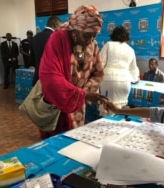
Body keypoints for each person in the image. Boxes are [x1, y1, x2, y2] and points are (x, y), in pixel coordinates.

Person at [38, 5, 108, 139]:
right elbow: (50, 77)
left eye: (94, 36)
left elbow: (98, 73)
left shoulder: (92, 45)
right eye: (87, 36)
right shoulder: (58, 39)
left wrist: (85, 93)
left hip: (78, 108)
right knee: (57, 146)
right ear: (75, 29)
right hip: (58, 107)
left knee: (74, 142)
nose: (90, 41)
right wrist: (82, 95)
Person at [99, 26, 140, 110]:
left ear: (113, 35)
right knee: (120, 109)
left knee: (107, 107)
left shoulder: (108, 45)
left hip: (108, 80)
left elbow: (100, 64)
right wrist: (135, 79)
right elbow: (133, 69)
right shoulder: (130, 49)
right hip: (124, 81)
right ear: (127, 36)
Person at [30, 16, 63, 86]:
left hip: (37, 78)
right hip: (52, 79)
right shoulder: (56, 37)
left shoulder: (35, 37)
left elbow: (32, 59)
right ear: (55, 25)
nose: (61, 29)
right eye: (60, 26)